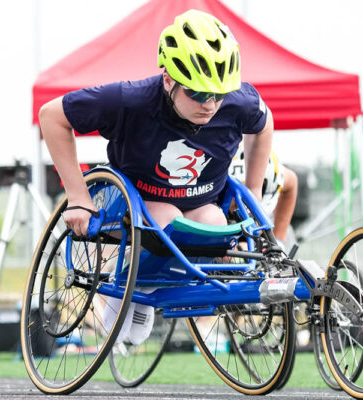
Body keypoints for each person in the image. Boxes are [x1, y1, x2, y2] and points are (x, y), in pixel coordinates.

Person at [38, 10, 273, 344]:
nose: (210, 105)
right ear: (168, 80)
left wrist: (253, 191)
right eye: (198, 94)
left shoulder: (239, 101)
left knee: (215, 220)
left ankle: (156, 281)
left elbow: (265, 125)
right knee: (167, 218)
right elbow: (51, 116)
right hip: (139, 202)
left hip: (202, 201)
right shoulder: (128, 100)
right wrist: (78, 197)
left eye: (218, 95)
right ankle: (136, 284)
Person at [229, 147, 298, 247]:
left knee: (287, 236)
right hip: (220, 220)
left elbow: (292, 181)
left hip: (264, 220)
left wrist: (279, 238)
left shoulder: (276, 176)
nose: (247, 208)